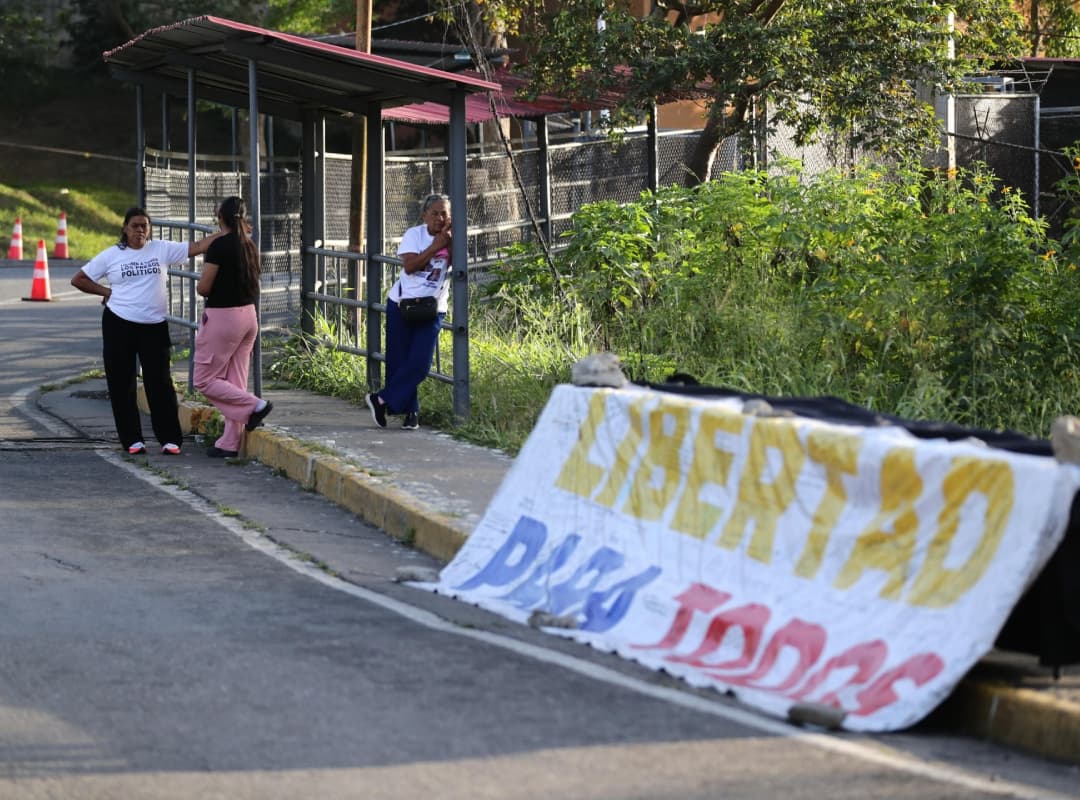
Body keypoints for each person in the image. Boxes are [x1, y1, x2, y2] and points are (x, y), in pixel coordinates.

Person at [72, 207, 223, 456]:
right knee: (123, 383)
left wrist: (228, 231)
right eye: (135, 226)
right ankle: (132, 440)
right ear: (125, 228)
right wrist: (107, 293)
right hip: (119, 323)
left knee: (160, 382)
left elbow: (198, 246)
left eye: (144, 226)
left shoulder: (160, 249)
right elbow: (79, 279)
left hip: (153, 326)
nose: (140, 230)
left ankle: (169, 439)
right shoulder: (111, 255)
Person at [193, 195, 273, 458]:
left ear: (220, 218)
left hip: (223, 318)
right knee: (234, 381)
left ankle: (255, 406)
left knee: (203, 380)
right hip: (249, 316)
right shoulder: (250, 245)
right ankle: (230, 442)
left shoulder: (219, 245)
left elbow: (204, 287)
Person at [366, 193, 451, 431]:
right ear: (424, 215)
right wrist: (435, 247)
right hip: (403, 304)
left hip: (433, 306)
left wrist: (449, 238)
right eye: (434, 213)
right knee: (399, 359)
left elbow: (456, 262)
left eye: (444, 213)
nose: (439, 218)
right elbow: (410, 266)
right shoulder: (415, 235)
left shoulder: (452, 237)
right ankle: (410, 412)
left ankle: (380, 400)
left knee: (420, 363)